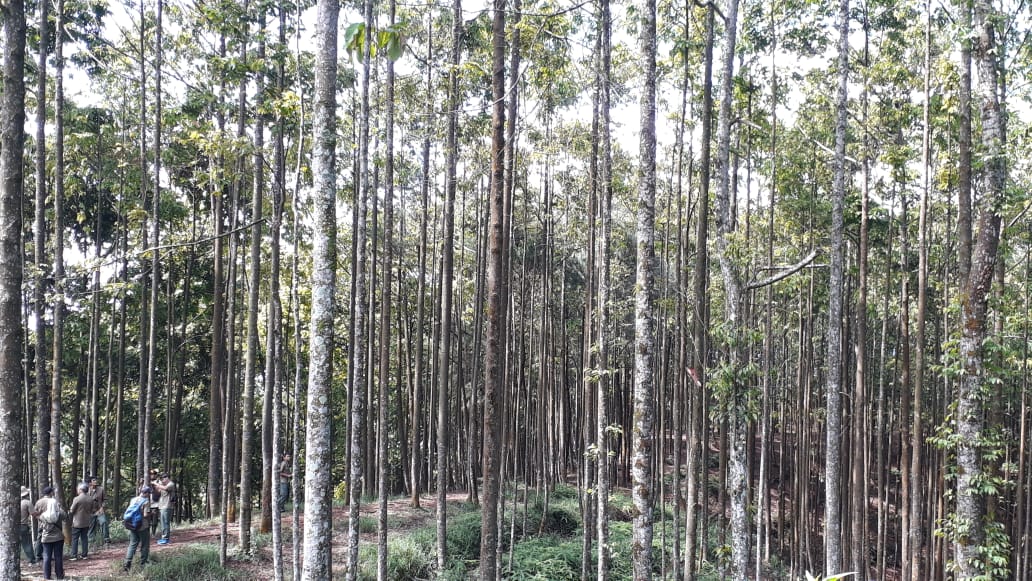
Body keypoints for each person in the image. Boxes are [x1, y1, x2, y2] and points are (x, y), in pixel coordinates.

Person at [31, 485, 65, 581]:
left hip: (46, 536)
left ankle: (47, 576)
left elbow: (35, 514)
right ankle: (59, 576)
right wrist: (58, 508)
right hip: (58, 536)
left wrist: (43, 523)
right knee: (58, 556)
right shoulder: (58, 512)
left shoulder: (41, 510)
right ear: (51, 493)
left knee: (46, 557)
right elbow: (65, 516)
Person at [123, 485, 152, 572]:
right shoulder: (146, 502)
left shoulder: (133, 499)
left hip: (132, 525)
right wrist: (153, 513)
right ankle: (143, 563)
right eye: (148, 493)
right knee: (145, 545)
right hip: (142, 526)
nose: (149, 494)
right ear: (146, 493)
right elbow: (145, 515)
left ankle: (127, 562)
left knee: (132, 544)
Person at [68, 482, 95, 560]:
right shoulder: (90, 498)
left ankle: (74, 555)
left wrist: (70, 511)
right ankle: (84, 555)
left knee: (75, 538)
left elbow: (72, 510)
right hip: (86, 521)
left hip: (77, 522)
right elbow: (92, 510)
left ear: (80, 489)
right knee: (84, 538)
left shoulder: (77, 499)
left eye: (78, 489)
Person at [152, 472, 176, 544]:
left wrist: (156, 484)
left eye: (163, 479)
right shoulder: (162, 485)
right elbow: (158, 492)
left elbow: (165, 488)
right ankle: (164, 537)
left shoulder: (171, 484)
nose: (162, 480)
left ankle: (166, 538)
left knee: (165, 523)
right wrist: (154, 486)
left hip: (167, 506)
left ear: (167, 478)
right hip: (161, 506)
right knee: (162, 523)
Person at [86, 475, 109, 545]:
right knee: (91, 527)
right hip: (90, 512)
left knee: (104, 522)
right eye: (93, 480)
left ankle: (106, 539)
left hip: (99, 510)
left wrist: (102, 507)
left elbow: (105, 500)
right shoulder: (86, 490)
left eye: (96, 480)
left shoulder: (101, 489)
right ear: (90, 482)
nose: (95, 481)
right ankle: (91, 542)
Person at [18, 486, 38, 566]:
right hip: (23, 526)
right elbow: (33, 514)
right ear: (26, 494)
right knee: (27, 544)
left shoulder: (14, 501)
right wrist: (40, 512)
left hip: (12, 528)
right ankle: (31, 561)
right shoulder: (27, 502)